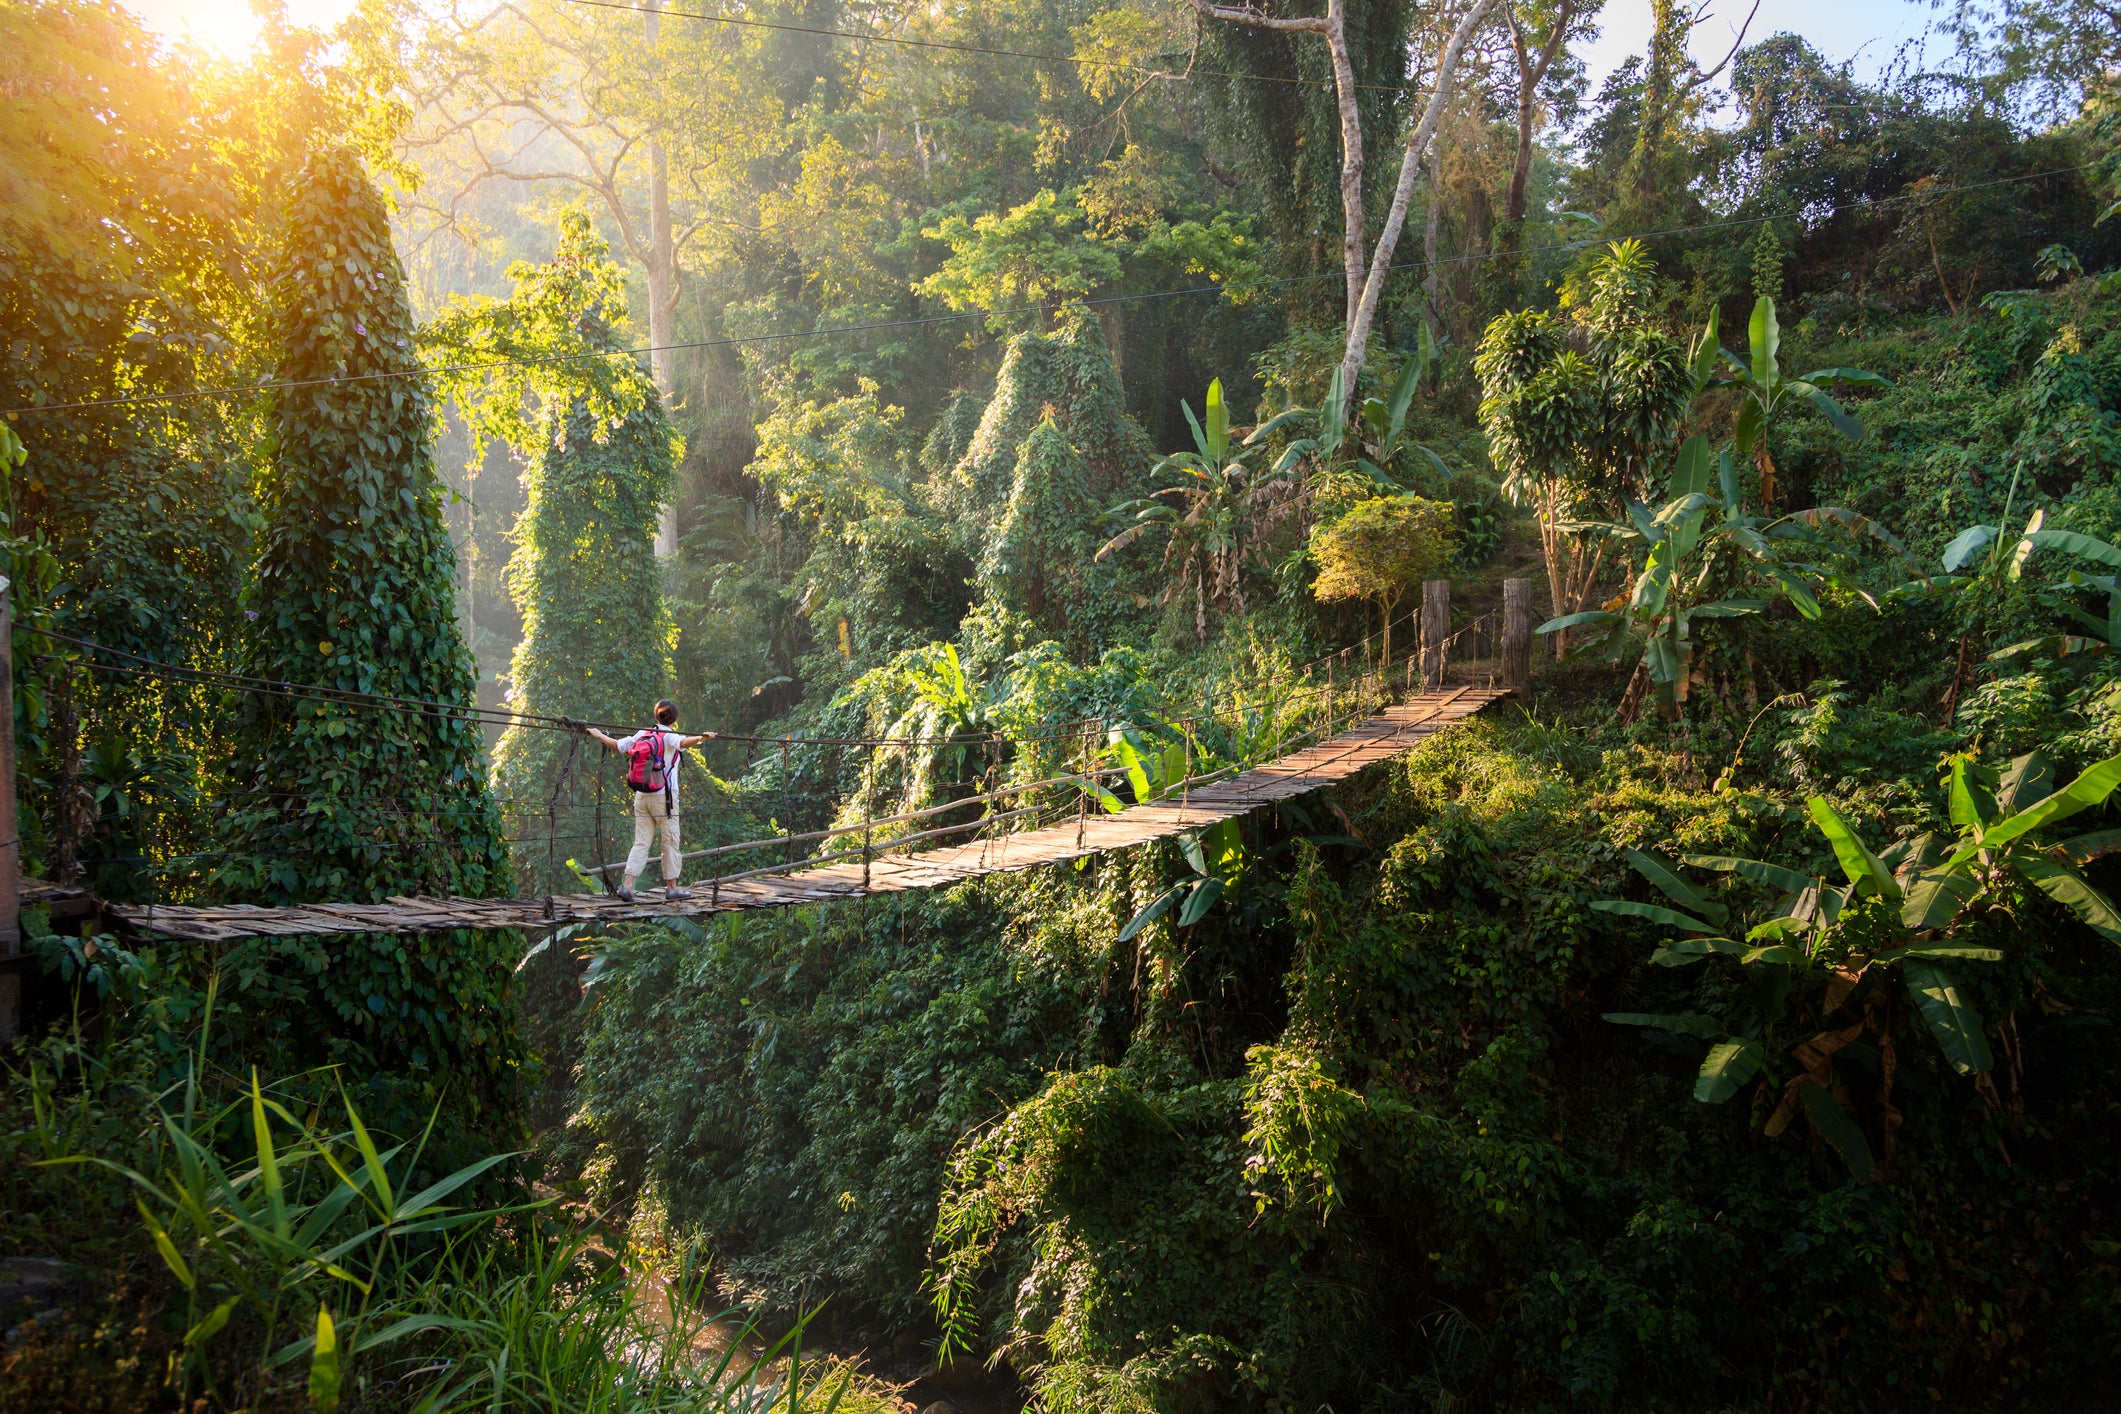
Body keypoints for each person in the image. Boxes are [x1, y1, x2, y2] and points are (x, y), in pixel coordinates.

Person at [582, 700, 717, 901]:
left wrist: (599, 734)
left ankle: (627, 886)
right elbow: (683, 743)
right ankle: (672, 887)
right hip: (665, 797)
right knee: (670, 840)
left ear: (656, 716)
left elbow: (618, 745)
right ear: (675, 719)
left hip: (642, 795)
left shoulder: (643, 734)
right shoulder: (669, 735)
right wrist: (702, 738)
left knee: (641, 841)